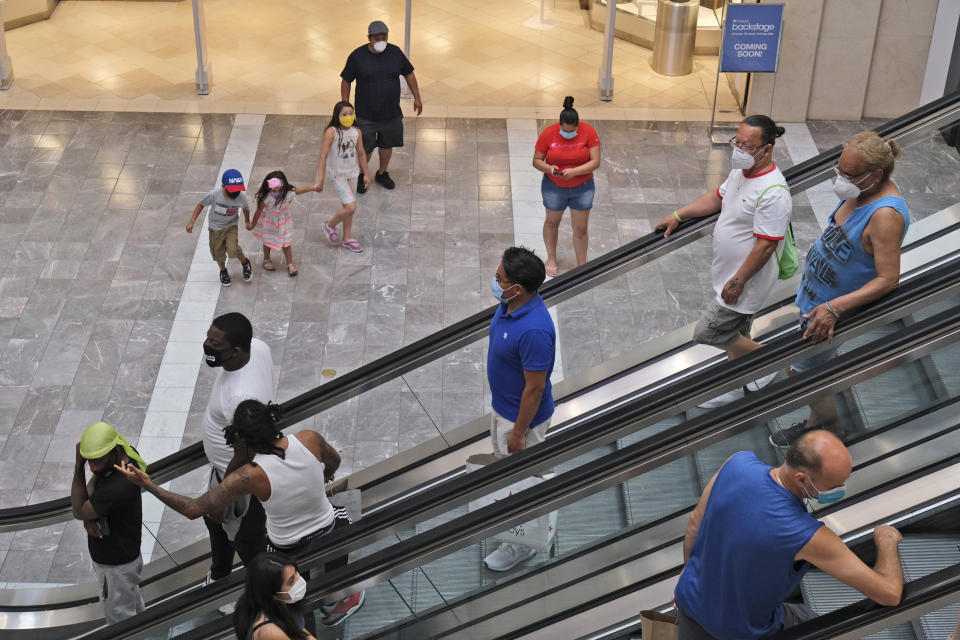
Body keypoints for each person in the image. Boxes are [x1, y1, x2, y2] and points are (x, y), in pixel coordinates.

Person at [117, 399, 364, 629]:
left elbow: (194, 509)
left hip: (288, 551)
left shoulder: (251, 476)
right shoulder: (309, 438)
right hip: (330, 529)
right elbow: (333, 461)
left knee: (294, 601)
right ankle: (338, 599)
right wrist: (316, 479)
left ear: (242, 439)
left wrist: (149, 485)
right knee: (330, 557)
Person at [674, 430, 903, 640]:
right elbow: (889, 594)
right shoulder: (805, 534)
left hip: (690, 609)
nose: (839, 490)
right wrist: (886, 541)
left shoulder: (737, 463)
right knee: (819, 628)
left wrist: (690, 573)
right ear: (802, 478)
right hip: (742, 633)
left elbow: (695, 522)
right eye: (833, 486)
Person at [770, 131, 910, 447]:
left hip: (829, 312)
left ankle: (826, 425)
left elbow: (889, 279)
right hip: (814, 300)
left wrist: (835, 308)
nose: (840, 179)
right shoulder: (859, 190)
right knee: (813, 366)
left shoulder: (885, 216)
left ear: (875, 175)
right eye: (839, 169)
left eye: (848, 174)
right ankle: (822, 419)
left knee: (800, 372)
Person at [656, 115, 792, 408]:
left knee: (709, 331)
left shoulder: (774, 192)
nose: (739, 150)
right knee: (737, 333)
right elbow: (717, 198)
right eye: (737, 143)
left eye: (748, 146)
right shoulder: (742, 174)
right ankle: (736, 383)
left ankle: (769, 360)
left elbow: (766, 246)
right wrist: (679, 215)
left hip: (744, 282)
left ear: (767, 150)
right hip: (730, 275)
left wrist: (739, 280)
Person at [483, 246, 556, 571]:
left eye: (500, 279)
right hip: (503, 411)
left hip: (519, 421)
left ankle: (523, 545)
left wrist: (517, 433)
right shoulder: (509, 304)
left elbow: (536, 387)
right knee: (508, 477)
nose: (495, 282)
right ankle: (516, 531)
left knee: (521, 483)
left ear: (519, 288)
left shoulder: (535, 331)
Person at [200, 312, 274, 607]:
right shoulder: (259, 347)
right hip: (221, 470)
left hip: (236, 478)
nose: (207, 344)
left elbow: (244, 457)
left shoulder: (240, 399)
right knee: (214, 523)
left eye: (215, 343)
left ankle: (261, 594)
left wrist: (223, 496)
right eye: (208, 336)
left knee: (246, 536)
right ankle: (220, 574)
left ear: (237, 350)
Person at [71, 421, 148, 625]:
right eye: (89, 461)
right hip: (127, 555)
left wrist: (78, 466)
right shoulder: (128, 455)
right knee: (132, 606)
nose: (93, 467)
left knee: (120, 621)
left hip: (115, 567)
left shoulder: (118, 486)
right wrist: (90, 516)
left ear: (113, 451)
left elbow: (79, 510)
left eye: (98, 460)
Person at [340, 20, 422, 193]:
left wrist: (417, 97)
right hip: (365, 115)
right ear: (369, 38)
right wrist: (345, 105)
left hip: (390, 113)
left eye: (384, 37)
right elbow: (346, 80)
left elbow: (409, 74)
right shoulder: (357, 56)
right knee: (365, 148)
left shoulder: (395, 53)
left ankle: (382, 173)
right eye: (377, 38)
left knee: (387, 145)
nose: (381, 41)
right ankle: (363, 174)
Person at [532, 96, 601, 276]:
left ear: (578, 126)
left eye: (572, 131)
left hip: (583, 188)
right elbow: (536, 160)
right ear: (560, 125)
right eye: (564, 131)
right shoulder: (548, 133)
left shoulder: (589, 132)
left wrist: (575, 172)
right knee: (552, 222)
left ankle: (582, 265)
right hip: (554, 188)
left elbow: (595, 162)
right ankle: (551, 258)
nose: (568, 134)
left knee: (580, 228)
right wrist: (549, 168)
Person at [316, 101, 371, 253]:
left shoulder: (356, 131)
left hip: (352, 173)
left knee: (348, 208)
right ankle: (330, 225)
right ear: (337, 116)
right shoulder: (331, 132)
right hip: (337, 175)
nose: (348, 117)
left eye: (351, 113)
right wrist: (320, 179)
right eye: (344, 114)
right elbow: (323, 155)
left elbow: (361, 153)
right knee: (351, 206)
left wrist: (365, 173)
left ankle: (347, 239)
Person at [187, 168, 254, 287]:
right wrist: (192, 222)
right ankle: (223, 271)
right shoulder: (214, 195)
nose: (234, 194)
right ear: (223, 186)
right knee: (218, 253)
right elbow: (201, 205)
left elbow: (245, 209)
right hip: (215, 228)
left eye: (237, 191)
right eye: (231, 191)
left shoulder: (241, 197)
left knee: (233, 249)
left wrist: (247, 221)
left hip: (231, 226)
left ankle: (245, 262)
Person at [234, 553, 315, 640]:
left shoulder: (276, 602)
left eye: (296, 572)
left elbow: (299, 629)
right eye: (291, 581)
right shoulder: (271, 632)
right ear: (273, 594)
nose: (299, 580)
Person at [247, 171, 315, 277]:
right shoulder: (266, 197)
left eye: (278, 188)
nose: (275, 191)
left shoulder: (289, 192)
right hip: (269, 222)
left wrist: (313, 187)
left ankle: (290, 264)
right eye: (273, 188)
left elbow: (300, 190)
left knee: (286, 243)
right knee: (267, 241)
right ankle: (266, 259)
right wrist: (252, 224)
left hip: (284, 221)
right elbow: (258, 211)